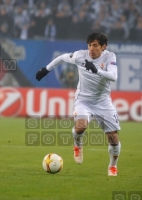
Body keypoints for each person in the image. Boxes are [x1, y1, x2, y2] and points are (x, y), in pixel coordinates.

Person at [35, 32, 121, 176]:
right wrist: (46, 69)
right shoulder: (81, 56)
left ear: (103, 47)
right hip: (83, 100)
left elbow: (113, 76)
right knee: (80, 127)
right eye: (89, 45)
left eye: (95, 45)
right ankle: (78, 144)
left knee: (113, 138)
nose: (91, 49)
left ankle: (112, 166)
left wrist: (97, 70)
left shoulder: (110, 57)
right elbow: (62, 58)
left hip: (103, 102)